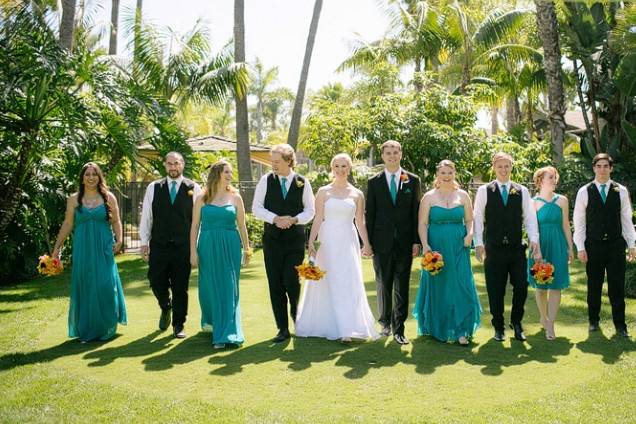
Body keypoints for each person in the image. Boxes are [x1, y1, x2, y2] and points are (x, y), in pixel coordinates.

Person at [295, 154, 379, 342]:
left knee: (347, 280)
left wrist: (366, 243)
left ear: (349, 168)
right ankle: (328, 324)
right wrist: (311, 242)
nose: (340, 170)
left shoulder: (357, 193)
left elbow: (360, 221)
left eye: (344, 166)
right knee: (328, 279)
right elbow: (318, 219)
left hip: (348, 240)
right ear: (332, 168)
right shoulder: (324, 192)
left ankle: (347, 329)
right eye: (337, 166)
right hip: (327, 241)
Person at [52, 162, 127, 342]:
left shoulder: (109, 197)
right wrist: (57, 248)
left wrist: (120, 239)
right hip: (83, 248)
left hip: (103, 247)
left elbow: (116, 221)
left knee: (105, 285)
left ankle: (107, 325)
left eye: (94, 174)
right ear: (82, 178)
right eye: (87, 174)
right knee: (85, 285)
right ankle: (87, 329)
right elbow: (68, 224)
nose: (91, 177)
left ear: (99, 177)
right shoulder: (73, 199)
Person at [473, 152, 541, 342]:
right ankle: (499, 326)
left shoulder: (522, 190)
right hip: (493, 248)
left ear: (512, 167)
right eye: (500, 166)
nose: (503, 170)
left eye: (507, 166)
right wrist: (478, 243)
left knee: (521, 285)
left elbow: (530, 217)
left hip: (516, 248)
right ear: (494, 168)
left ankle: (516, 322)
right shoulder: (484, 190)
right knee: (495, 289)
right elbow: (478, 218)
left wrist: (534, 239)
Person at [413, 160, 481, 345]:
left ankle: (461, 330)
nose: (446, 176)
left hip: (460, 245)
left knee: (461, 284)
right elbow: (422, 223)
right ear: (437, 175)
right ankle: (438, 327)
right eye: (443, 172)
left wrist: (470, 234)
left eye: (449, 172)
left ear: (454, 173)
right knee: (440, 285)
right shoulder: (428, 197)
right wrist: (425, 244)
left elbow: (470, 219)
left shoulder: (463, 195)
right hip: (437, 245)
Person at [252, 144, 315, 343]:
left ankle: (297, 317)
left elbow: (310, 211)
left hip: (295, 241)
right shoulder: (266, 180)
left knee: (291, 281)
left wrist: (295, 219)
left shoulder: (302, 182)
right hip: (272, 241)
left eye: (277, 162)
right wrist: (275, 218)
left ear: (289, 161)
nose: (273, 165)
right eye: (272, 162)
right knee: (275, 284)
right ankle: (282, 329)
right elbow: (256, 208)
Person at [139, 152, 202, 339]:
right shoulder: (154, 187)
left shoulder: (193, 187)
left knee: (180, 287)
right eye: (170, 164)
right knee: (155, 280)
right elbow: (147, 217)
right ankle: (166, 306)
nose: (173, 167)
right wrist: (144, 243)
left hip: (183, 246)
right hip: (159, 244)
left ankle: (178, 325)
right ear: (165, 165)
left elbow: (198, 221)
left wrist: (195, 247)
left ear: (182, 165)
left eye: (177, 163)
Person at [573, 153, 636, 338]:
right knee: (594, 286)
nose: (602, 169)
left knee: (617, 287)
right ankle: (593, 321)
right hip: (593, 246)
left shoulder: (621, 191)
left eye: (605, 166)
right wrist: (581, 247)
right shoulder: (584, 191)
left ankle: (620, 325)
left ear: (611, 168)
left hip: (616, 246)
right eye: (598, 166)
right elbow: (579, 222)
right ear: (594, 168)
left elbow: (626, 220)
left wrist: (632, 244)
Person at [365, 140, 421, 345]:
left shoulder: (413, 181)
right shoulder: (374, 182)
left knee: (402, 285)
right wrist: (368, 243)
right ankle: (385, 324)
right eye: (388, 152)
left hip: (405, 243)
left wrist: (416, 241)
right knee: (383, 283)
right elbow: (370, 214)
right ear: (382, 155)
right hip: (381, 242)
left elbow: (416, 213)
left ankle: (399, 328)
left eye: (395, 152)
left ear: (401, 154)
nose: (392, 156)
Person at [190, 160, 250, 349]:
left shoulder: (236, 197)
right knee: (209, 287)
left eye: (231, 172)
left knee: (229, 287)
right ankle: (213, 321)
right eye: (227, 172)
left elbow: (241, 225)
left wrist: (247, 248)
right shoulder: (202, 198)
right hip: (207, 245)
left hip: (230, 245)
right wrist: (192, 251)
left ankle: (225, 333)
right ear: (217, 173)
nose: (230, 175)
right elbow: (194, 226)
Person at [527, 166, 573, 340]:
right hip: (540, 246)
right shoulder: (532, 202)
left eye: (555, 177)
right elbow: (531, 228)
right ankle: (543, 316)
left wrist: (570, 247)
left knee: (556, 284)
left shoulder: (562, 200)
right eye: (550, 177)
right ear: (540, 180)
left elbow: (566, 226)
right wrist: (536, 248)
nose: (554, 180)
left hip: (558, 245)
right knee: (541, 285)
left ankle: (551, 323)